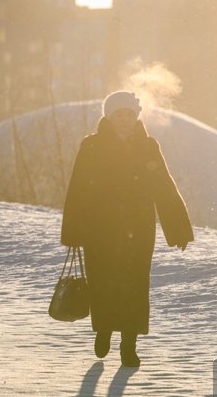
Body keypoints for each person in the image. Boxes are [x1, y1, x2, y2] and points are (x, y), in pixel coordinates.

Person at [60, 90, 194, 367]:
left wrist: (178, 229)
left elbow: (164, 188)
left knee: (134, 287)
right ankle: (104, 330)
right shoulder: (92, 146)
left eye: (129, 114)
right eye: (119, 114)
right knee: (103, 284)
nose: (124, 120)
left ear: (136, 117)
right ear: (108, 116)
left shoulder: (148, 147)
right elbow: (77, 191)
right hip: (100, 230)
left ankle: (129, 345)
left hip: (138, 230)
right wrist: (73, 231)